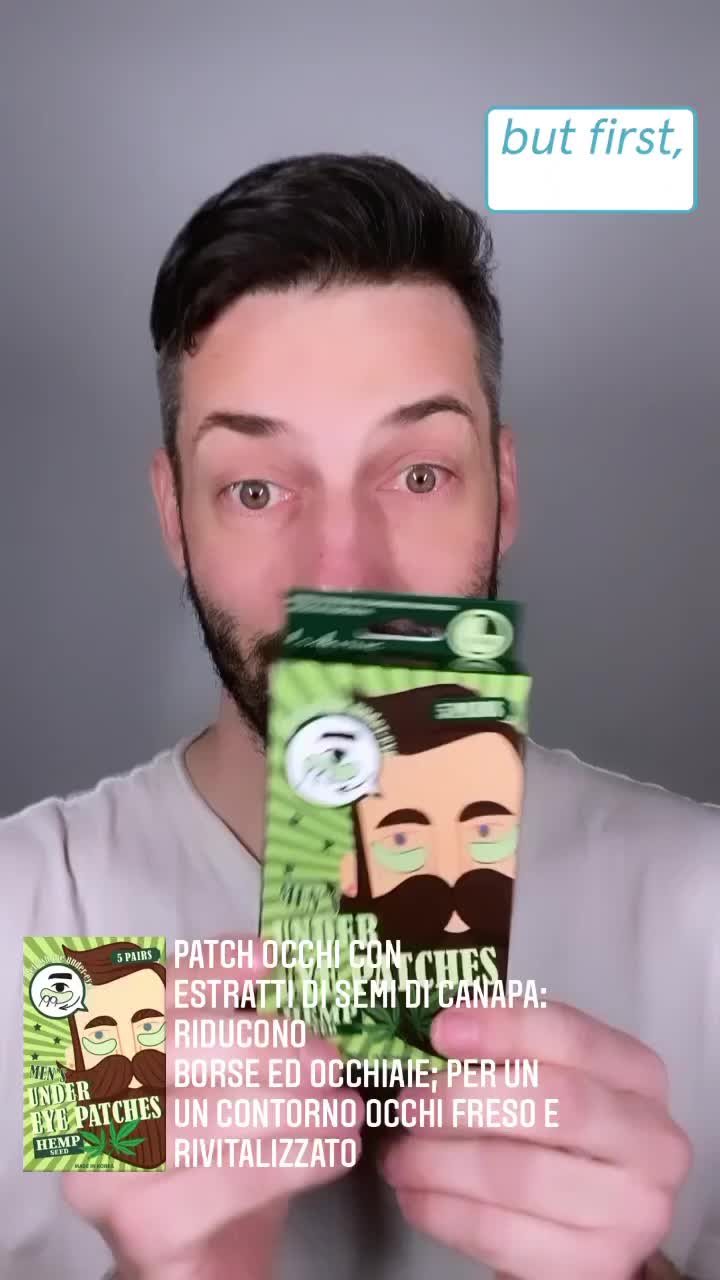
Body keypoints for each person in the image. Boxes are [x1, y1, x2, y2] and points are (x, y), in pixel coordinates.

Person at [1, 152, 717, 1280]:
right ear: (175, 517)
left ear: (504, 492)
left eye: (418, 474)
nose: (342, 572)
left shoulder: (702, 906)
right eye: (255, 487)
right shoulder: (34, 918)